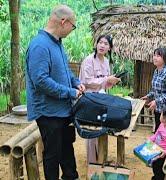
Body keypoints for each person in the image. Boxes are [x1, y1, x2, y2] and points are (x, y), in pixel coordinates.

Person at [25, 5, 84, 180]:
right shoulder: (39, 46)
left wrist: (76, 82)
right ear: (63, 22)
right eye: (73, 26)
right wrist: (70, 92)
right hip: (48, 112)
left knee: (67, 149)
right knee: (52, 155)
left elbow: (65, 70)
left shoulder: (57, 43)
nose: (72, 30)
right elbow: (41, 81)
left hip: (62, 110)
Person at [79, 34, 120, 164]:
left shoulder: (106, 62)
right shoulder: (89, 60)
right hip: (89, 99)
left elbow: (104, 84)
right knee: (91, 130)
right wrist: (106, 79)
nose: (102, 45)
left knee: (101, 128)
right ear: (96, 44)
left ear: (110, 48)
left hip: (102, 99)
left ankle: (101, 158)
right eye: (100, 42)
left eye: (106, 44)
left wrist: (112, 82)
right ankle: (92, 162)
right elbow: (87, 81)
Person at [141, 47, 166, 132]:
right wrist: (148, 96)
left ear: (165, 58)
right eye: (154, 55)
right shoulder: (156, 71)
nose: (155, 57)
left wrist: (156, 101)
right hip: (158, 108)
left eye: (158, 56)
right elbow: (155, 90)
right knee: (158, 130)